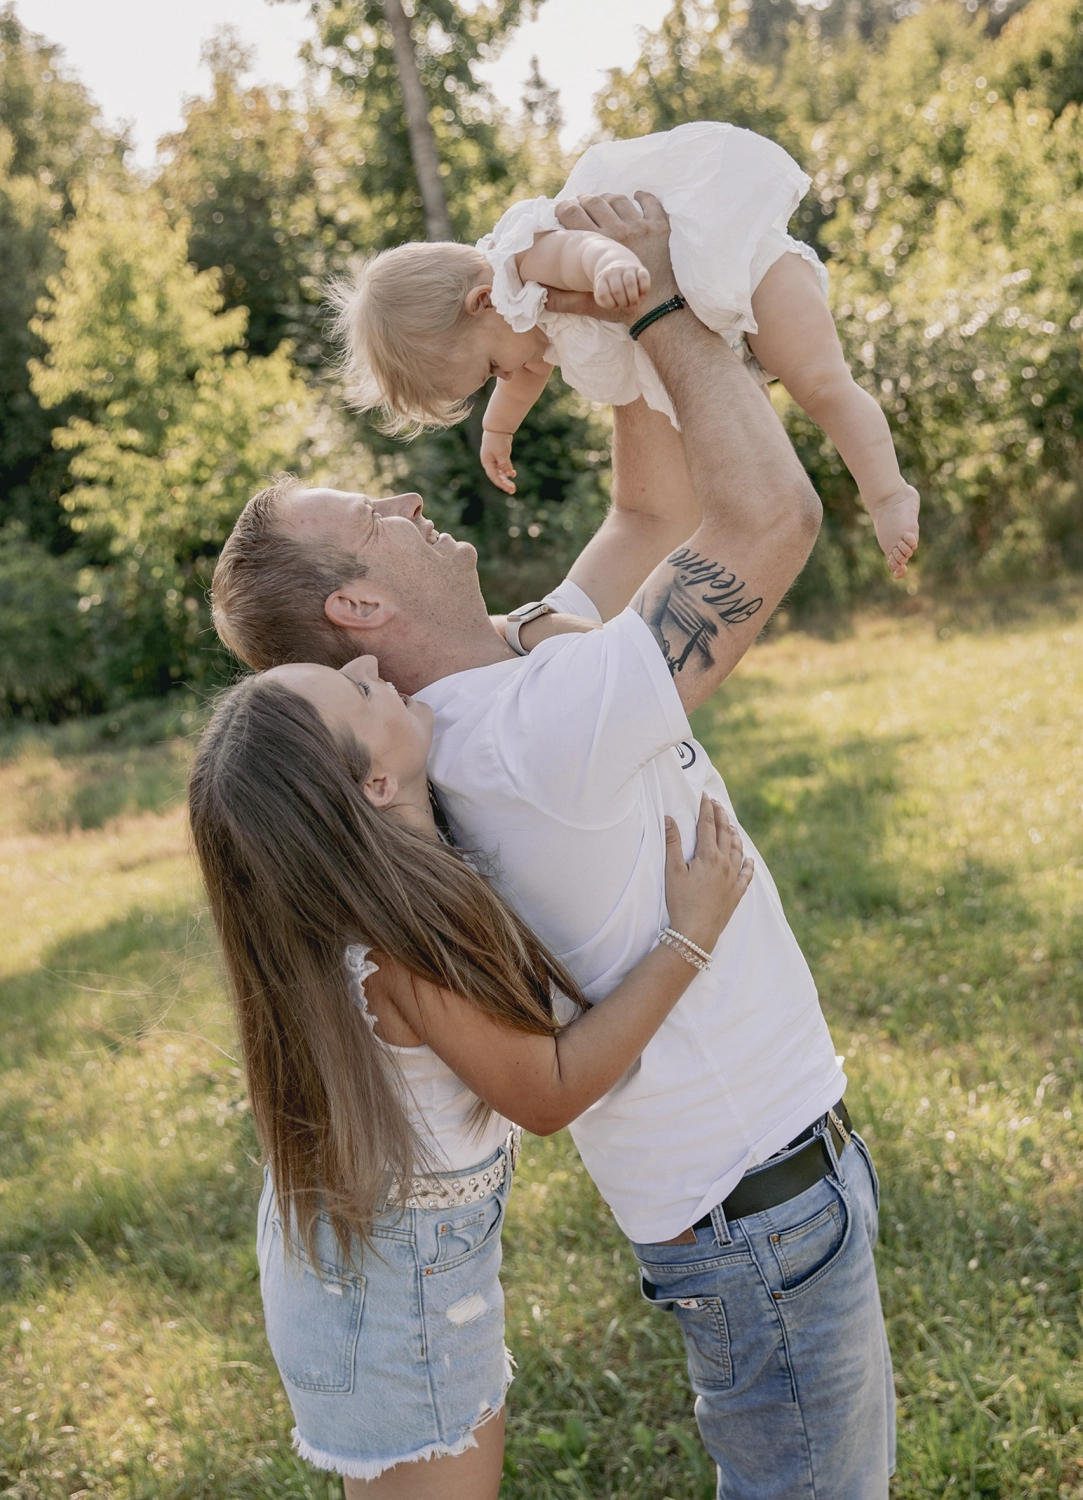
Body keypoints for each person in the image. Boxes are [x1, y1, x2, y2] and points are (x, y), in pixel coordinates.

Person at [211, 191, 895, 1498]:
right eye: (367, 510)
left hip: (753, 1191)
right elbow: (766, 522)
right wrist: (648, 296)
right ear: (355, 603)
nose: (406, 491)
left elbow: (649, 514)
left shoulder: (508, 677)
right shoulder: (526, 728)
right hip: (755, 1200)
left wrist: (596, 331)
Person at [188, 653, 752, 1497]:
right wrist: (688, 936)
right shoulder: (403, 946)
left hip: (373, 1267)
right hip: (392, 1295)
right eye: (357, 688)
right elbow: (549, 1090)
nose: (370, 662)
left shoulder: (379, 887)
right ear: (376, 784)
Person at [332, 120, 918, 578]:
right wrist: (497, 431)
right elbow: (525, 372)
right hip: (717, 325)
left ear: (484, 302)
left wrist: (611, 263)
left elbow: (581, 252)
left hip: (749, 272)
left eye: (488, 369)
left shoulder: (523, 260)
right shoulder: (518, 328)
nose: (504, 375)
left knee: (820, 385)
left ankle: (889, 493)